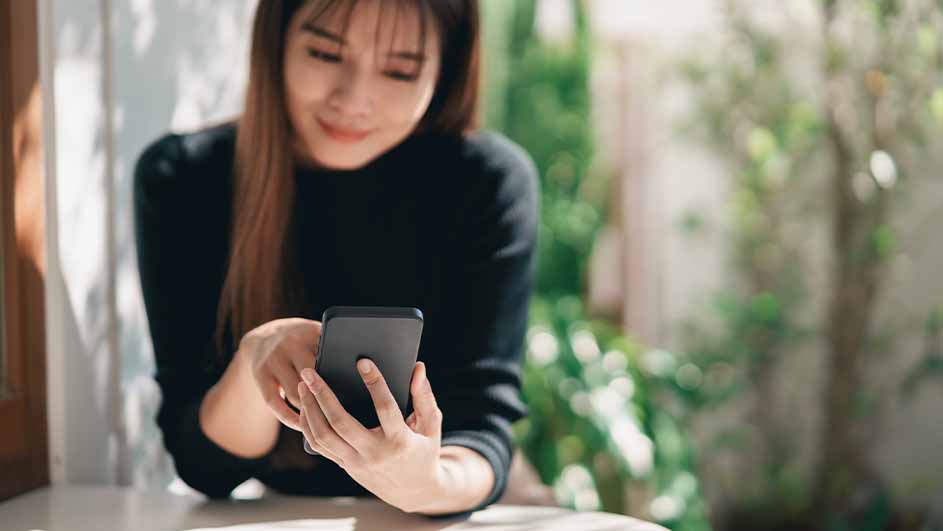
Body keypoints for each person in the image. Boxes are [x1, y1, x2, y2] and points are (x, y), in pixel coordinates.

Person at [133, 0, 539, 519]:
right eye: (325, 53)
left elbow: (481, 428)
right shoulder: (183, 180)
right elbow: (204, 465)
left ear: (447, 69)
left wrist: (426, 483)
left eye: (399, 69)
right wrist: (255, 362)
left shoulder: (487, 184)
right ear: (275, 42)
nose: (355, 99)